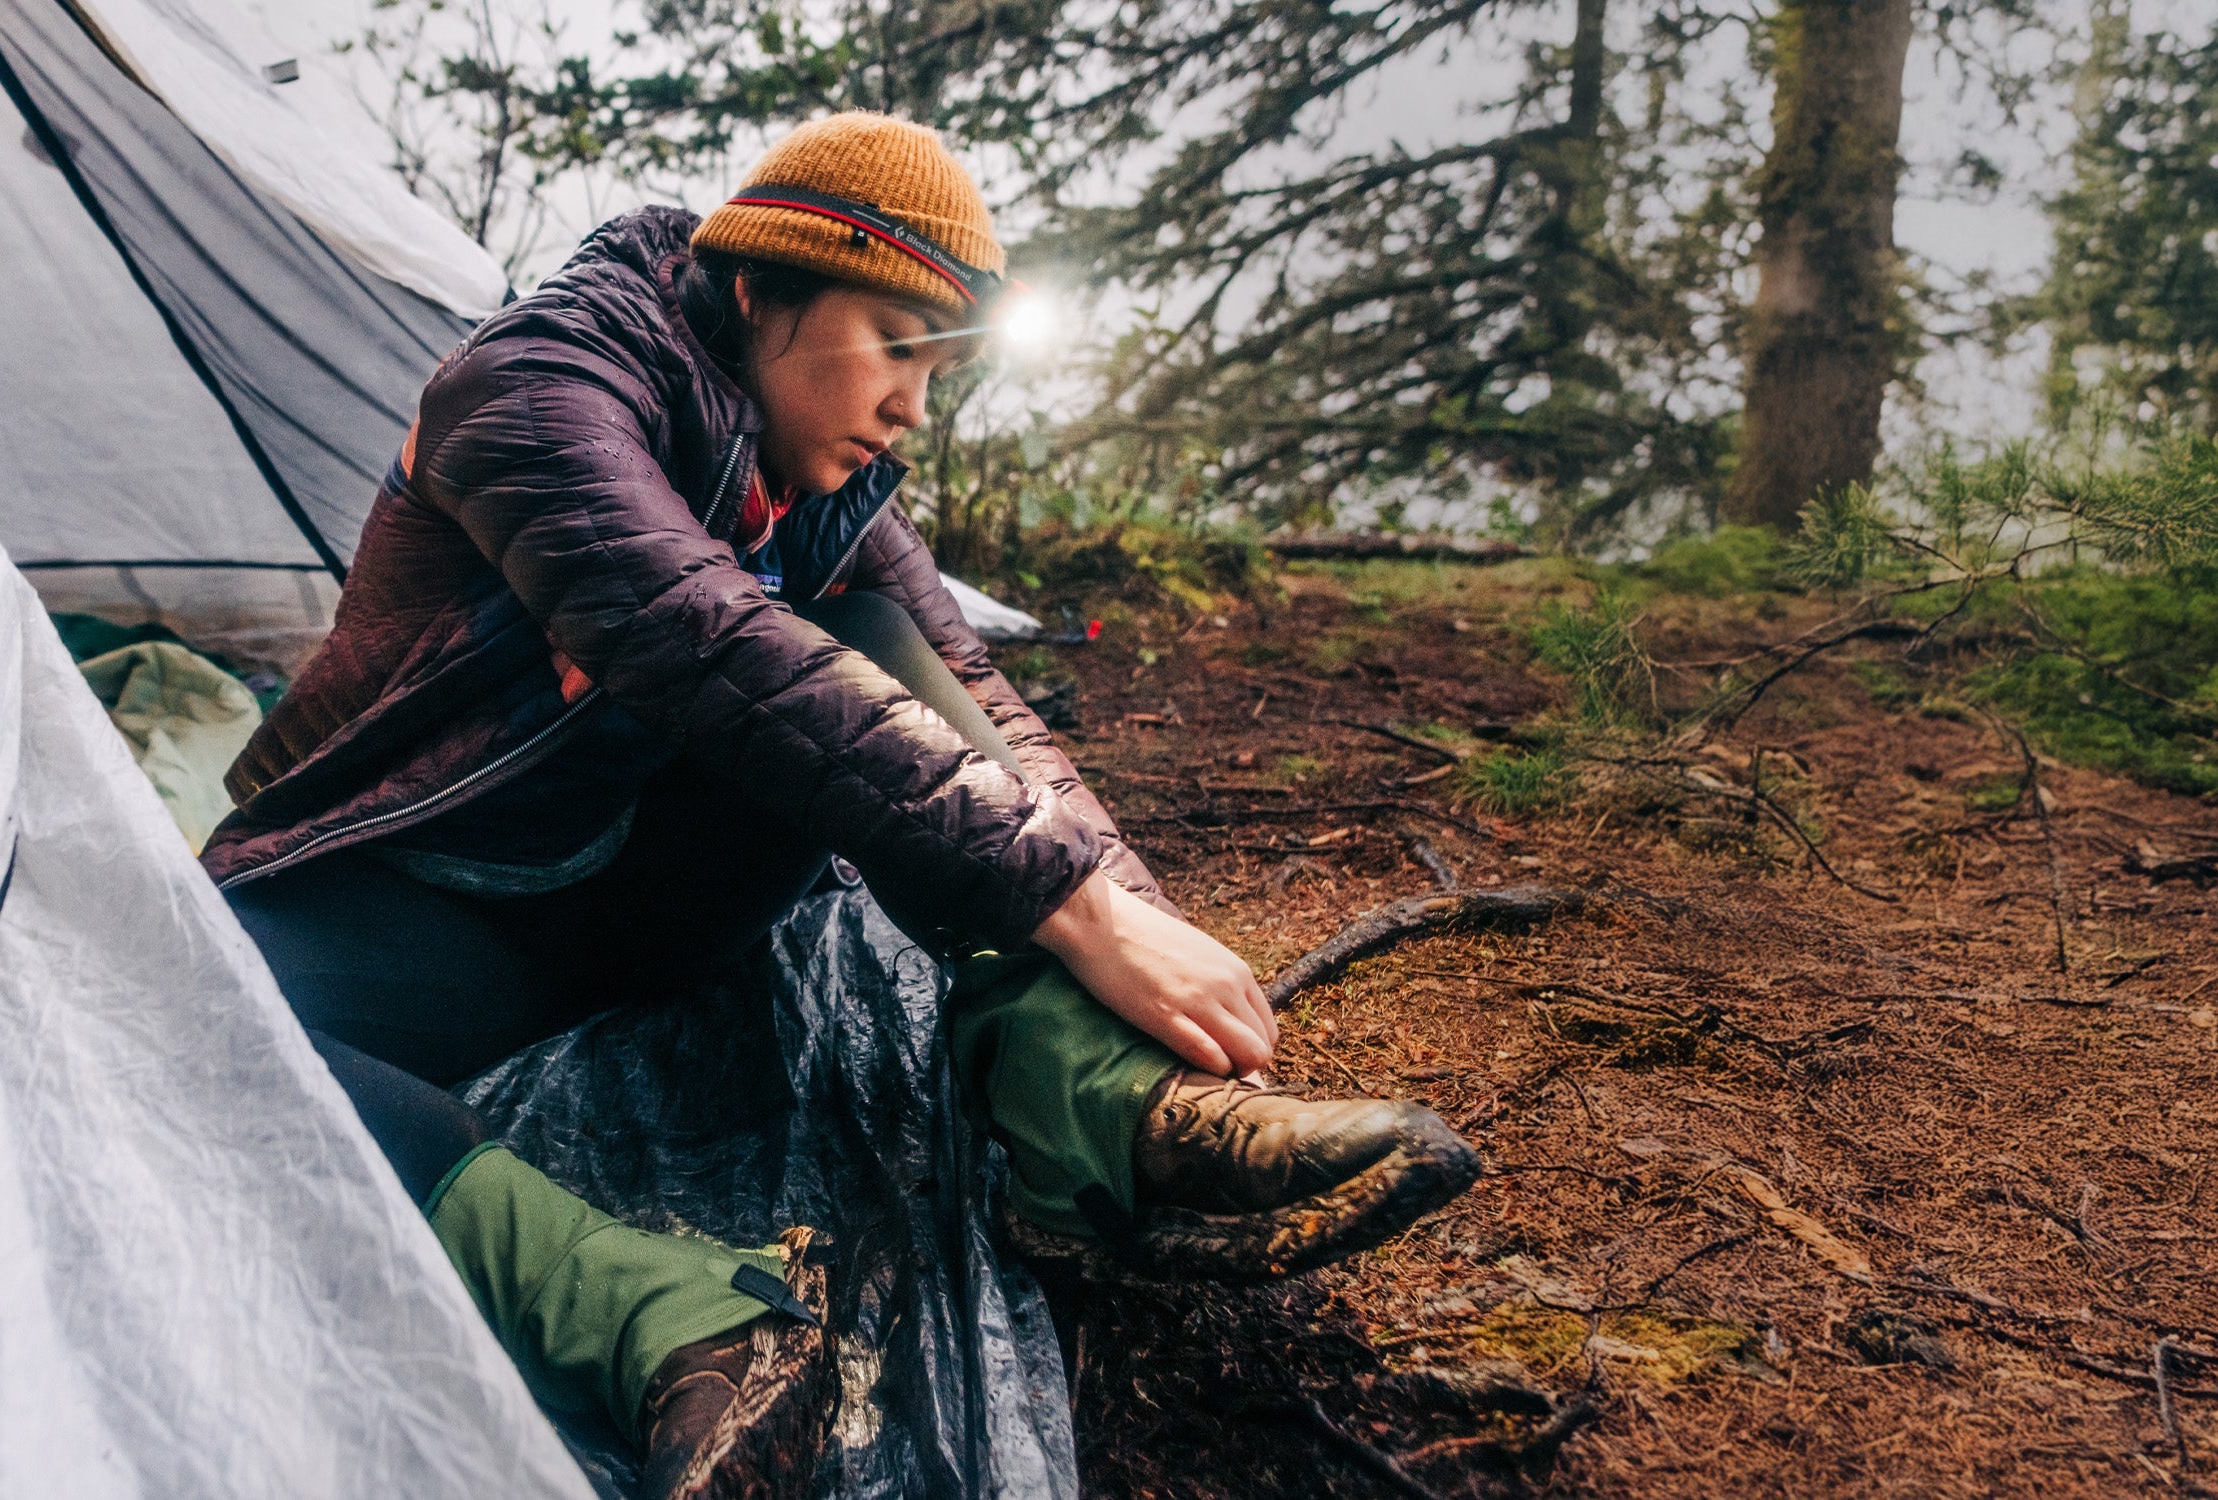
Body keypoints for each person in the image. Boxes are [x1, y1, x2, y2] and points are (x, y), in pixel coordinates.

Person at [205, 112, 1484, 1498]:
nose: (914, 410)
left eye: (940, 367)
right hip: (418, 886)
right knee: (199, 1027)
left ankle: (1110, 1116)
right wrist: (1073, 907)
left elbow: (983, 707)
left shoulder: (830, 485)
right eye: (896, 344)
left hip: (634, 892)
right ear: (761, 289)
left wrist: (1125, 927)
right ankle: (671, 1322)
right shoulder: (534, 388)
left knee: (883, 634)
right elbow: (689, 632)